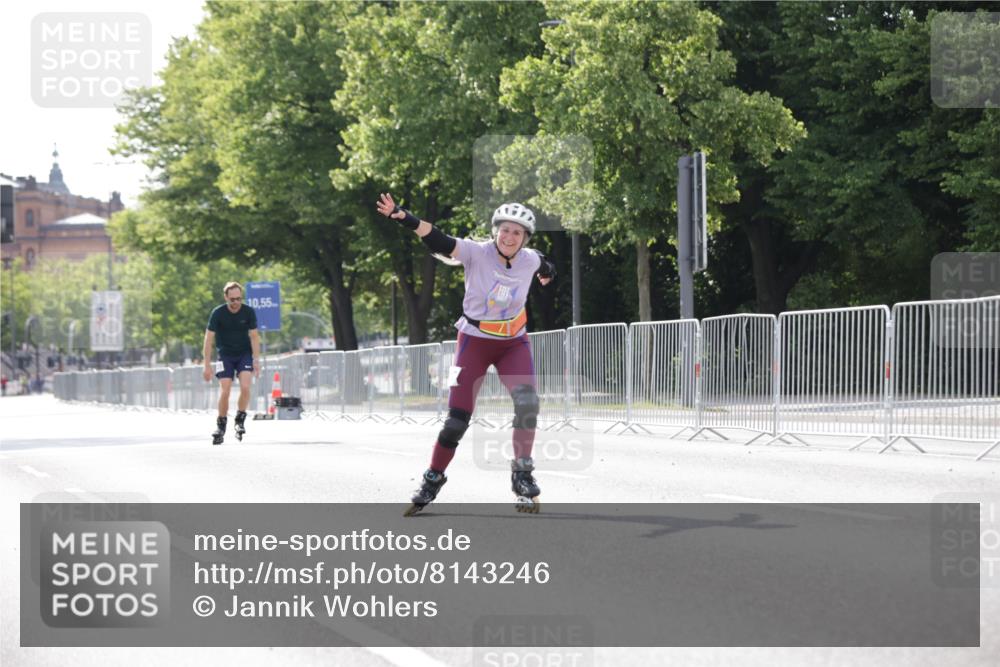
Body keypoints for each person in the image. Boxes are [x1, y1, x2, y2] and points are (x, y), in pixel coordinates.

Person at [376, 193, 556, 515]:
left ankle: (522, 475)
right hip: (474, 341)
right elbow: (440, 240)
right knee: (456, 422)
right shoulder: (476, 253)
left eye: (517, 233)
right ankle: (432, 478)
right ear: (495, 231)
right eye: (505, 230)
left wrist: (548, 273)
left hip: (513, 343)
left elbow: (545, 264)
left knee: (528, 403)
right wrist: (403, 217)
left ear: (525, 238)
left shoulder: (529, 259)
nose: (510, 237)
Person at [202, 281, 261, 444]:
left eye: (239, 299)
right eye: (232, 299)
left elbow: (255, 337)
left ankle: (240, 419)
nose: (236, 303)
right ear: (226, 297)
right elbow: (208, 339)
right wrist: (206, 365)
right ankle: (221, 425)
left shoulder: (248, 312)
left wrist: (256, 360)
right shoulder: (218, 313)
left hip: (244, 354)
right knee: (225, 390)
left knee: (245, 386)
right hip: (225, 355)